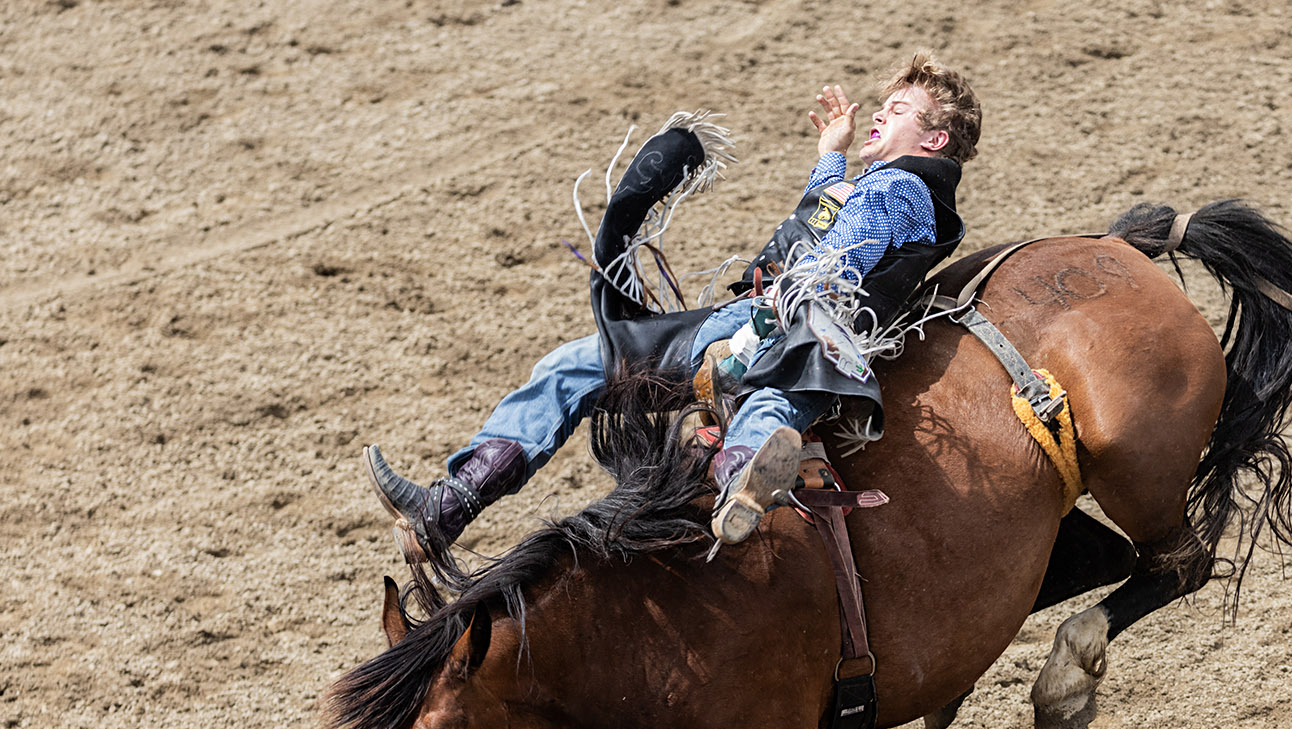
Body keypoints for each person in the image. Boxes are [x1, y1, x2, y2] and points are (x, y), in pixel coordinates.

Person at [366, 52, 981, 559]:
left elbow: (829, 272)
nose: (879, 113)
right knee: (760, 405)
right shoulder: (893, 189)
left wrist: (745, 345)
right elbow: (824, 220)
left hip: (787, 327)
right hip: (800, 341)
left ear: (935, 138)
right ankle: (739, 487)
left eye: (896, 109)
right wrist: (830, 154)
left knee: (579, 369)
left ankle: (445, 510)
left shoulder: (898, 188)